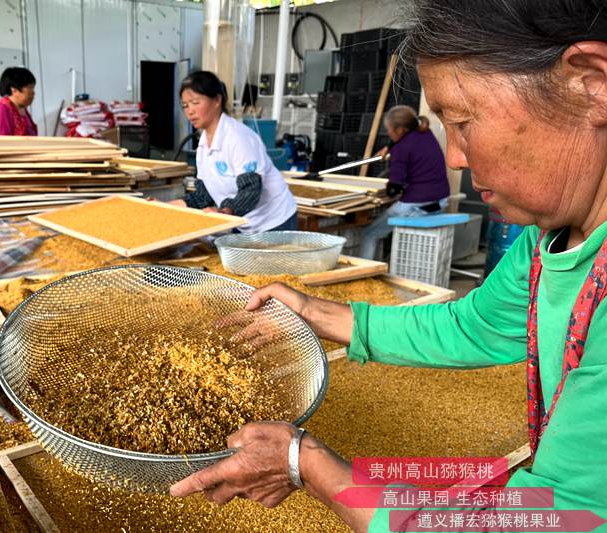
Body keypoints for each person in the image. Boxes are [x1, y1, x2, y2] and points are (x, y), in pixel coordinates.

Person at [169, 1, 607, 531]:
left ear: (590, 84)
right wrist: (315, 312)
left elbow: (557, 516)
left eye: (463, 122)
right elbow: (476, 325)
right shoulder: (551, 236)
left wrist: (301, 461)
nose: (456, 159)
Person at [170, 71, 298, 233]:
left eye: (195, 102)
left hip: (274, 222)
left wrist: (223, 213)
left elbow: (250, 190)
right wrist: (165, 206)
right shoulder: (203, 144)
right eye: (185, 105)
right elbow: (205, 195)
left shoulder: (238, 137)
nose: (190, 111)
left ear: (217, 100)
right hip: (241, 221)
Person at [359, 106, 450, 259]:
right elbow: (404, 138)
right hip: (440, 200)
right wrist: (388, 147)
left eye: (389, 130)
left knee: (370, 234)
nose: (388, 133)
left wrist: (386, 191)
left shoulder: (401, 149)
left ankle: (360, 274)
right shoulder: (425, 132)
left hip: (416, 205)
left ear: (400, 130)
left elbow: (394, 189)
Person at [0, 67, 38, 136]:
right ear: (14, 89)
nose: (33, 92)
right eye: (30, 87)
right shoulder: (2, 109)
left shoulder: (22, 109)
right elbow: (1, 142)